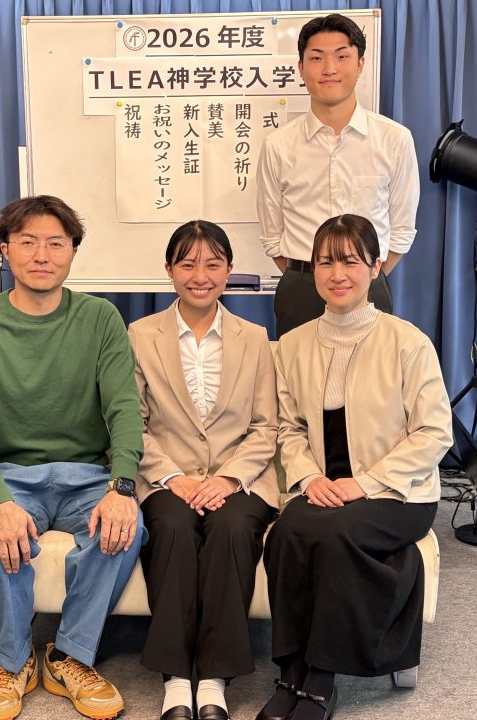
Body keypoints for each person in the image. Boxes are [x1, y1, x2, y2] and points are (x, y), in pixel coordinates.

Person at [0, 195, 145, 720]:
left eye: (56, 243)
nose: (42, 255)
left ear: (72, 252)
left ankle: (69, 657)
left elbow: (125, 409)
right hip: (9, 475)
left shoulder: (100, 319)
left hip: (86, 474)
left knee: (124, 530)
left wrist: (122, 488)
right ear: (5, 249)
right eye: (28, 242)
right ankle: (14, 663)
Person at [257, 214, 452, 720]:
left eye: (350, 261)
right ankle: (291, 671)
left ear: (374, 267)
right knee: (287, 534)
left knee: (336, 534)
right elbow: (288, 428)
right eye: (326, 262)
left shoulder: (408, 342)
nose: (337, 273)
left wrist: (363, 483)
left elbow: (434, 433)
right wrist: (310, 478)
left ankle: (322, 678)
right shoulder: (293, 345)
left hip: (398, 494)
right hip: (321, 487)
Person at [128, 220, 279, 720]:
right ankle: (175, 679)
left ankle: (214, 679)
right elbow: (133, 424)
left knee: (232, 529)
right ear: (169, 269)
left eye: (213, 264)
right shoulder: (140, 335)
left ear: (229, 270)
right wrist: (175, 478)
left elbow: (266, 426)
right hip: (166, 476)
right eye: (188, 264)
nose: (201, 275)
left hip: (240, 478)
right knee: (171, 528)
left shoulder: (254, 337)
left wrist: (229, 479)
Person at [256, 13, 420, 336]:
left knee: (372, 371)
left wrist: (362, 274)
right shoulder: (278, 145)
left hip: (368, 287)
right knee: (296, 370)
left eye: (342, 57)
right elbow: (272, 236)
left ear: (360, 65)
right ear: (301, 68)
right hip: (301, 290)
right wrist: (310, 273)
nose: (329, 68)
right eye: (316, 58)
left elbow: (402, 230)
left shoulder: (394, 139)